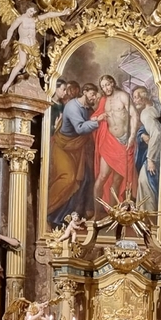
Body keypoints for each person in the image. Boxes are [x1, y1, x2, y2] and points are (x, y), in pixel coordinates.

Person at [48, 83, 101, 226]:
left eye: (95, 95)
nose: (94, 97)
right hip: (63, 147)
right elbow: (80, 128)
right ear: (84, 92)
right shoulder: (72, 106)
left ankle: (65, 217)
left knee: (82, 179)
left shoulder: (88, 109)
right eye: (92, 94)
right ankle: (48, 210)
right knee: (68, 178)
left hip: (77, 149)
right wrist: (97, 121)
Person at [0, 3, 72, 93]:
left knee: (37, 66)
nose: (32, 13)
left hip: (33, 45)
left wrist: (62, 13)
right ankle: (8, 83)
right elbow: (11, 29)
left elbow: (48, 15)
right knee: (21, 63)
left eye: (33, 12)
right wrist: (7, 39)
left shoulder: (34, 19)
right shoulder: (20, 19)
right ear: (26, 9)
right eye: (31, 11)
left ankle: (30, 81)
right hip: (23, 44)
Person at [92, 75, 139, 208]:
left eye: (107, 84)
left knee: (117, 180)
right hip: (109, 141)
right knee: (102, 177)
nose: (106, 88)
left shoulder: (123, 96)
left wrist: (132, 137)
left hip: (124, 142)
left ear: (112, 83)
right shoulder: (103, 100)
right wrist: (99, 118)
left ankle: (113, 213)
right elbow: (95, 117)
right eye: (103, 86)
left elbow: (134, 115)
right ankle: (96, 214)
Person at [132, 86, 161, 210]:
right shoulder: (155, 107)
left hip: (154, 156)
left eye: (136, 97)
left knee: (145, 182)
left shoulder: (146, 113)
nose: (134, 101)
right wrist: (142, 134)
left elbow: (157, 133)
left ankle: (148, 217)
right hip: (156, 153)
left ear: (143, 98)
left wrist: (150, 160)